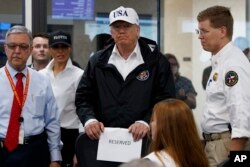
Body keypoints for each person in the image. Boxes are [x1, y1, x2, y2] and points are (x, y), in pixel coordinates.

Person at [75, 6, 175, 166]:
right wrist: (89, 120)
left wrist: (146, 122)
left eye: (126, 26)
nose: (121, 31)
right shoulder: (97, 61)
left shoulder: (156, 61)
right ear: (111, 31)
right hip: (104, 142)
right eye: (116, 27)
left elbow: (166, 100)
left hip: (144, 142)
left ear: (137, 30)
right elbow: (83, 98)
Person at [0, 25, 62, 167]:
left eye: (23, 46)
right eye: (12, 46)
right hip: (3, 152)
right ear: (5, 48)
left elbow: (52, 121)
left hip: (35, 152)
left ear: (29, 50)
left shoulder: (42, 80)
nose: (17, 51)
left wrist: (55, 158)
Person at [197, 6, 250, 166]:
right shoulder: (221, 61)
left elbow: (241, 113)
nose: (200, 37)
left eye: (204, 31)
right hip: (214, 143)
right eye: (198, 31)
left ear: (222, 31)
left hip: (226, 145)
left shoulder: (233, 64)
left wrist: (235, 160)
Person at [40, 30, 84, 167]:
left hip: (69, 135)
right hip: (44, 134)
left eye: (64, 47)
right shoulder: (40, 75)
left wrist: (81, 148)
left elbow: (83, 108)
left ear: (69, 49)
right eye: (56, 47)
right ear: (50, 50)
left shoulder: (79, 75)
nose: (60, 51)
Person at [144, 99, 209, 167]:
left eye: (153, 120)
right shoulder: (199, 158)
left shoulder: (151, 162)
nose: (151, 124)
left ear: (167, 127)